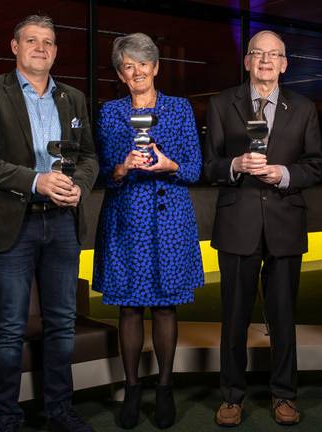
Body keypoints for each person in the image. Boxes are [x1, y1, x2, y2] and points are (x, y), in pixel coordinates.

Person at [0, 15, 98, 432]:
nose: (41, 48)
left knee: (61, 324)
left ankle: (59, 410)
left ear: (55, 51)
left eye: (49, 42)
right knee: (8, 327)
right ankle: (8, 417)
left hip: (62, 223)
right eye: (32, 40)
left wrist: (80, 188)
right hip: (10, 224)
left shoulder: (72, 97)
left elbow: (89, 157)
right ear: (14, 47)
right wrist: (35, 181)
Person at [203, 30, 322, 427]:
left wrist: (284, 173)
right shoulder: (222, 104)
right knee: (234, 317)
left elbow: (315, 165)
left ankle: (284, 395)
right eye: (259, 53)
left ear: (285, 64)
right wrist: (235, 166)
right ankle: (232, 397)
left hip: (285, 221)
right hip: (238, 221)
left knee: (283, 316)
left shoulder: (304, 108)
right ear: (247, 61)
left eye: (275, 55)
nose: (266, 60)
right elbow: (209, 166)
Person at [92, 32, 204, 430]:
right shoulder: (110, 112)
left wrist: (168, 164)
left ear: (156, 67)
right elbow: (103, 173)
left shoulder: (180, 108)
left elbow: (194, 167)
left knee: (165, 306)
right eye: (128, 65)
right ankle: (133, 388)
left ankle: (165, 387)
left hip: (170, 218)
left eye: (144, 63)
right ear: (121, 74)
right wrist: (122, 167)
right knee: (129, 307)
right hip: (126, 219)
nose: (137, 71)